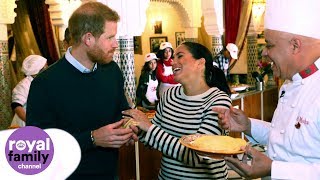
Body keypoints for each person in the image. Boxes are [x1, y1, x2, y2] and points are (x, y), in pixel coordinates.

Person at [26, 2, 138, 179]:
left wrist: (129, 127)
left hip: (110, 174)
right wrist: (92, 138)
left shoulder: (112, 71)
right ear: (88, 39)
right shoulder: (44, 84)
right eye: (110, 37)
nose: (116, 44)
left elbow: (121, 111)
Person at [212, 0, 320, 179]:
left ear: (295, 46)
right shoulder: (289, 83)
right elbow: (286, 137)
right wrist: (248, 126)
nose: (264, 52)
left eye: (269, 45)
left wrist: (273, 169)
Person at [123, 42, 232, 179]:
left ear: (200, 63)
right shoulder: (169, 95)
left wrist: (149, 128)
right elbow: (155, 139)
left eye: (179, 56)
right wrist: (136, 129)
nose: (173, 62)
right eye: (173, 58)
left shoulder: (218, 101)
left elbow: (195, 157)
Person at [10, 55, 47, 128]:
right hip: (25, 124)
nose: (47, 68)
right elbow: (16, 106)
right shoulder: (24, 85)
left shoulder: (42, 81)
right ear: (39, 69)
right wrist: (30, 121)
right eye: (45, 66)